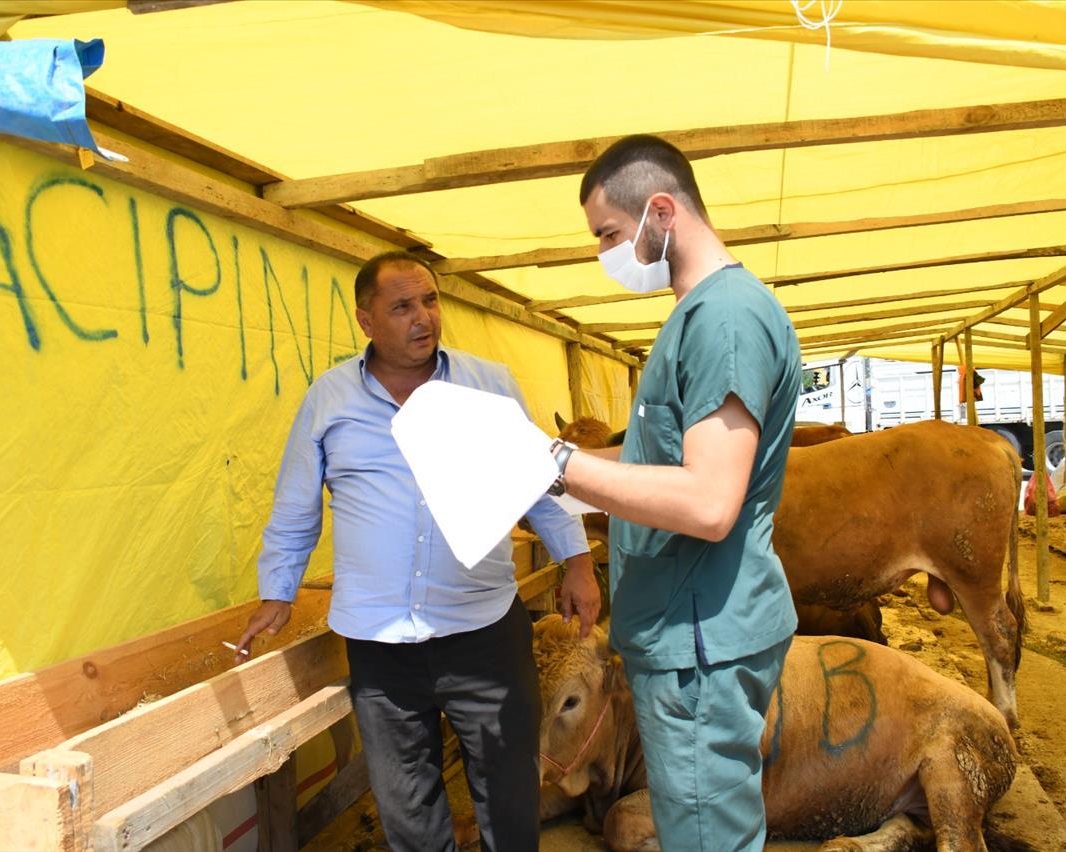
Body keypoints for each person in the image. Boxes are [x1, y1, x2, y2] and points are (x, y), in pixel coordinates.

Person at [236, 251, 601, 851]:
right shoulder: (329, 400)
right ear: (365, 320)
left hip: (483, 634)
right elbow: (296, 506)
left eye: (429, 301)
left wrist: (579, 563)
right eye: (402, 306)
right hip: (381, 645)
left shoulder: (488, 384)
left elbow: (538, 481)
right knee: (408, 810)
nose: (423, 317)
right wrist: (277, 592)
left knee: (509, 803)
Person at [544, 135, 802, 850]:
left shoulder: (723, 319)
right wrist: (541, 477)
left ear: (662, 210)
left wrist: (556, 461)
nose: (604, 254)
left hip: (701, 645)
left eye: (610, 235)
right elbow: (653, 456)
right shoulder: (697, 315)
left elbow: (709, 503)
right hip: (688, 635)